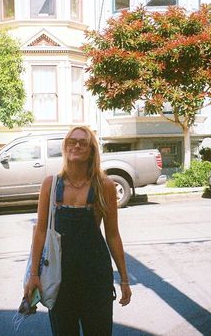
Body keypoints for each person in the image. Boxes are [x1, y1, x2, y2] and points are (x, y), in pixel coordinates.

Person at [24, 125, 132, 336]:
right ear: (65, 147)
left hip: (95, 276)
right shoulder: (50, 185)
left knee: (99, 331)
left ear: (92, 150)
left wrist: (125, 280)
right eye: (71, 141)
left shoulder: (104, 186)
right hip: (59, 276)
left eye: (83, 142)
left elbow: (112, 235)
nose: (76, 145)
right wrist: (34, 275)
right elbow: (41, 232)